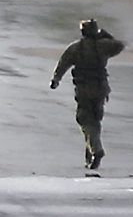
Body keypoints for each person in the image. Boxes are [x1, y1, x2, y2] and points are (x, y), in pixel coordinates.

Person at [51, 19, 125, 171]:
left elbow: (63, 64)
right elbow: (119, 45)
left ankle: (96, 150)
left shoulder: (75, 48)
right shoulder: (104, 46)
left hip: (84, 89)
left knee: (85, 120)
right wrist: (105, 36)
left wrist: (56, 80)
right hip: (101, 89)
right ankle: (90, 154)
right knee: (95, 121)